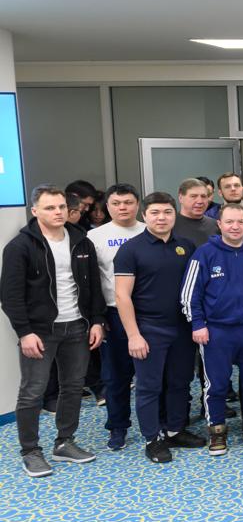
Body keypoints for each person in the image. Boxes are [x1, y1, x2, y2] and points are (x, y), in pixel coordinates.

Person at [2, 185, 105, 477]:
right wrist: (24, 332)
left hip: (78, 326)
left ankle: (64, 442)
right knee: (32, 392)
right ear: (35, 211)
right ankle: (30, 451)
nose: (58, 212)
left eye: (61, 207)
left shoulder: (81, 241)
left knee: (73, 387)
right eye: (49, 208)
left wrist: (97, 321)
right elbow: (10, 296)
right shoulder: (20, 247)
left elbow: (94, 286)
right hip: (39, 331)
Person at [113, 192, 205, 463]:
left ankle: (175, 430)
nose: (161, 218)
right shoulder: (130, 249)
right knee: (149, 387)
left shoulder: (186, 246)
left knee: (180, 381)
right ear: (144, 216)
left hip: (182, 328)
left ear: (175, 215)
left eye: (167, 212)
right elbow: (121, 296)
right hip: (148, 329)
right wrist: (133, 335)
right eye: (155, 213)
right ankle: (152, 439)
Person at [181, 205, 243, 454]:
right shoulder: (204, 254)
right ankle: (217, 430)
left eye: (240, 222)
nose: (235, 227)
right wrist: (197, 324)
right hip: (216, 331)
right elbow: (190, 294)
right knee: (216, 384)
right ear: (219, 224)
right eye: (229, 222)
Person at [87, 184, 146, 449]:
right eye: (116, 203)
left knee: (154, 374)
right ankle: (118, 427)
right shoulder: (94, 236)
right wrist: (97, 319)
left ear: (137, 204)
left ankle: (158, 423)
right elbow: (90, 282)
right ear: (107, 206)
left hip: (148, 312)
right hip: (113, 313)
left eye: (128, 202)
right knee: (116, 376)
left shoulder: (149, 230)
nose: (123, 207)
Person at [173, 178, 219, 247]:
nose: (200, 201)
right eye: (193, 196)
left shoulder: (216, 226)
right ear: (180, 198)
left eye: (203, 196)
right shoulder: (170, 225)